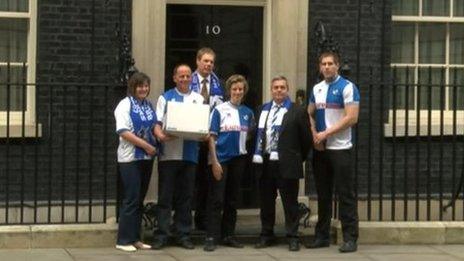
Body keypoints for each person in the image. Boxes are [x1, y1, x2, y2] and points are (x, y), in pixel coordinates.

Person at [306, 51, 360, 253]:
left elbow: (351, 118)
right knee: (323, 193)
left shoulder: (348, 87)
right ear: (320, 67)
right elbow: (309, 113)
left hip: (340, 148)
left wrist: (326, 133)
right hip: (320, 148)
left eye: (330, 63)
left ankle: (350, 238)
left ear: (337, 66)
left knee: (345, 194)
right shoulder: (317, 88)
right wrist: (314, 135)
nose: (327, 67)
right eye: (323, 64)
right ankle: (322, 236)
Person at [252, 75, 312, 251]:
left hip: (287, 163)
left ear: (287, 90)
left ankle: (293, 236)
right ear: (271, 90)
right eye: (276, 87)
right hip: (265, 162)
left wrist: (295, 158)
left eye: (282, 87)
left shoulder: (298, 111)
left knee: (290, 202)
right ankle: (266, 234)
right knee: (266, 201)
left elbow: (306, 140)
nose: (279, 90)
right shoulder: (261, 110)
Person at [152, 64, 204, 250]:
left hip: (190, 154)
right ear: (174, 78)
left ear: (192, 78)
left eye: (187, 76)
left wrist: (202, 133)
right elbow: (156, 123)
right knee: (165, 197)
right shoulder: (165, 97)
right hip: (169, 154)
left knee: (186, 197)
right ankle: (162, 234)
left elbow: (202, 125)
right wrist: (160, 135)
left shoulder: (198, 99)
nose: (184, 79)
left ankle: (183, 234)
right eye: (181, 76)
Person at [203, 75, 255, 252]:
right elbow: (211, 137)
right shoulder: (219, 110)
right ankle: (211, 236)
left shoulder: (248, 113)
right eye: (234, 89)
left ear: (244, 91)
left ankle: (228, 235)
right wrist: (214, 162)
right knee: (216, 199)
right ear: (229, 90)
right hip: (221, 160)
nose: (237, 92)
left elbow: (248, 136)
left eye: (240, 89)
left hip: (238, 159)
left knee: (232, 200)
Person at [114, 72, 157, 252]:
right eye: (140, 86)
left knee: (139, 199)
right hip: (130, 158)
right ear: (133, 87)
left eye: (146, 86)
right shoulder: (124, 105)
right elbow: (123, 131)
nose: (144, 89)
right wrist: (146, 146)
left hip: (147, 158)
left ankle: (136, 238)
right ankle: (123, 240)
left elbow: (155, 128)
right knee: (131, 199)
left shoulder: (148, 105)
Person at [190, 47, 225, 230]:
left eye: (211, 62)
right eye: (205, 61)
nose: (209, 64)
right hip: (192, 138)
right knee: (191, 179)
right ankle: (187, 219)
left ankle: (203, 219)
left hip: (210, 138)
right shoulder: (189, 80)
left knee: (208, 180)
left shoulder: (219, 82)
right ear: (197, 61)